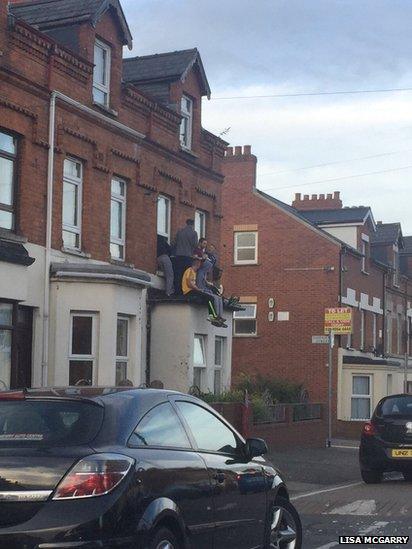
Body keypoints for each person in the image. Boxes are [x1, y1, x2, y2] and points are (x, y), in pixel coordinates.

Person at [182, 258, 227, 327]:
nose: (200, 265)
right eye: (199, 264)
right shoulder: (190, 271)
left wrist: (208, 284)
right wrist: (198, 289)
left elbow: (203, 281)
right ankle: (213, 316)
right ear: (197, 264)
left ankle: (218, 317)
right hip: (189, 291)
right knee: (210, 298)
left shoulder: (195, 272)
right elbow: (189, 283)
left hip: (194, 290)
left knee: (215, 298)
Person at [173, 219, 198, 294]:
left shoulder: (180, 232)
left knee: (178, 273)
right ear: (193, 224)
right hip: (187, 256)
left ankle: (177, 290)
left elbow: (174, 242)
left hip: (178, 255)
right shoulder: (194, 233)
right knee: (186, 274)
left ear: (186, 223)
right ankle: (184, 290)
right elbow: (195, 245)